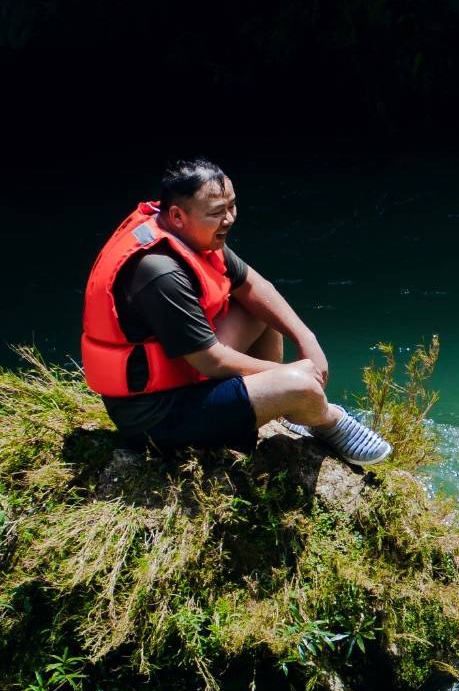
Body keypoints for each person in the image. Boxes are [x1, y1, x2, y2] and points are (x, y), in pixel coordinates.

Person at [81, 158, 390, 463]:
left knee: (260, 310)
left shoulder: (192, 234)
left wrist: (307, 340)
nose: (228, 219)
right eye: (217, 212)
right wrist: (289, 374)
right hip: (157, 415)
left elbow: (256, 288)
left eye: (232, 206)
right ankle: (326, 419)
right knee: (298, 384)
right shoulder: (159, 272)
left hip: (185, 377)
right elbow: (210, 360)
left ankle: (279, 404)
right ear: (177, 215)